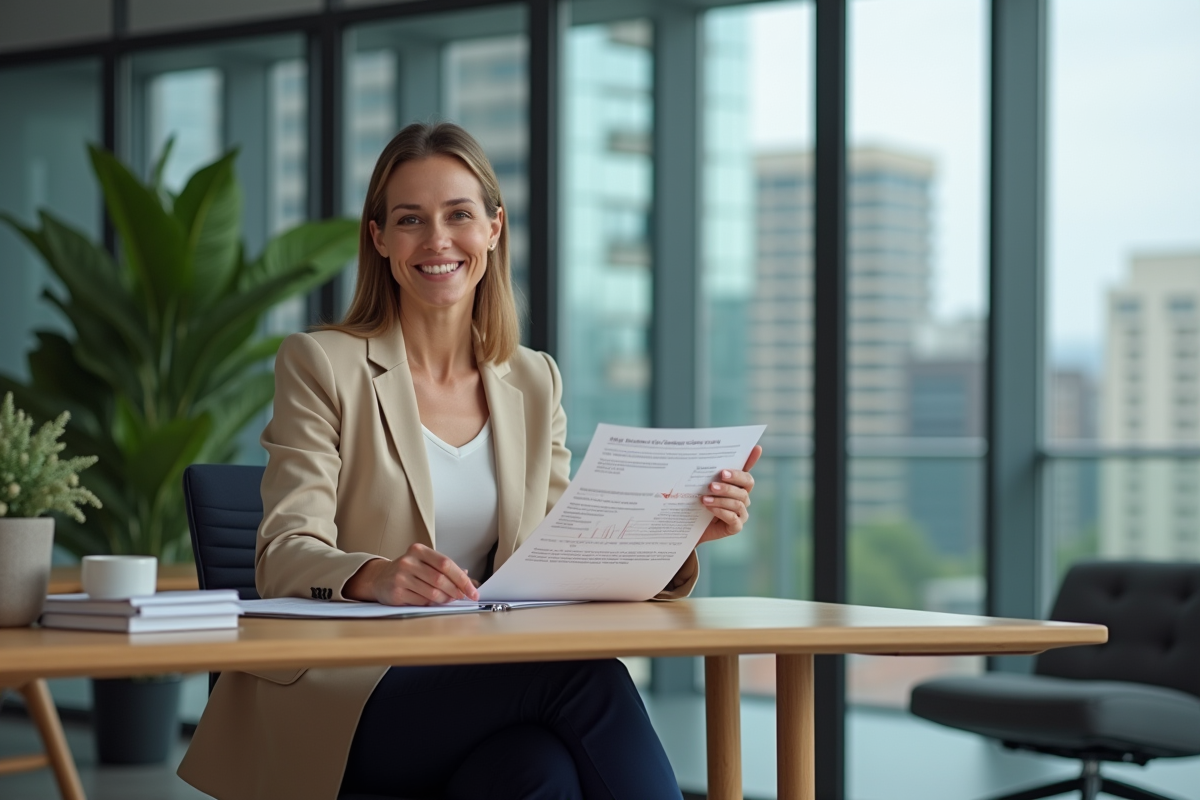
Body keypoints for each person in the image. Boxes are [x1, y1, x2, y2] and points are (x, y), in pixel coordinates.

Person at [178, 122, 761, 800]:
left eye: (458, 215)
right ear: (379, 239)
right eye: (410, 220)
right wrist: (376, 575)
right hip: (347, 699)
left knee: (536, 772)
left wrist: (678, 531)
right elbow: (281, 556)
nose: (437, 241)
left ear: (493, 229)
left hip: (484, 686)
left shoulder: (534, 379)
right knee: (584, 675)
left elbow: (559, 556)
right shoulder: (321, 364)